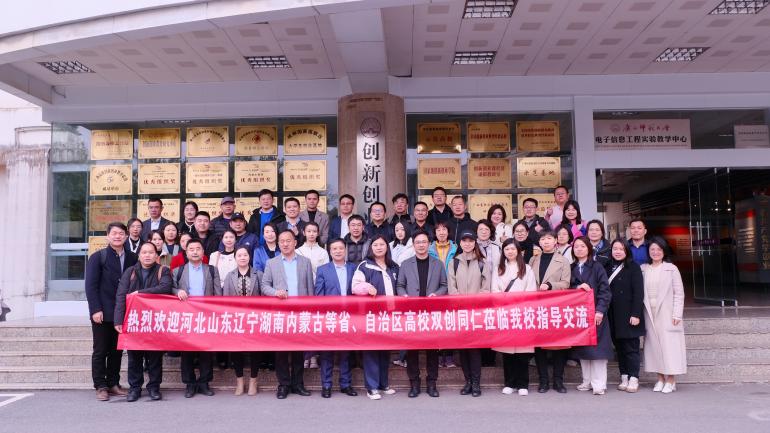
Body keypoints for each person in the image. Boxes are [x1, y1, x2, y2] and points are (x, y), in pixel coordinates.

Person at [113, 242, 173, 402]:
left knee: (155, 356)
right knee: (134, 357)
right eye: (144, 252)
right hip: (134, 320)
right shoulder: (130, 272)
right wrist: (118, 320)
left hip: (155, 320)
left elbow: (165, 288)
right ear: (139, 255)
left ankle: (154, 387)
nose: (147, 255)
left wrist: (140, 293)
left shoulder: (163, 270)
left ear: (156, 255)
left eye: (151, 252)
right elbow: (121, 295)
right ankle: (135, 388)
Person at [85, 222, 137, 401]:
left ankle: (113, 383)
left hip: (123, 311)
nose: (117, 236)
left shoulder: (133, 257)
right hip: (102, 311)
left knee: (117, 350)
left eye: (121, 233)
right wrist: (95, 309)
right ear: (108, 236)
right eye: (114, 233)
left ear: (126, 236)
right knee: (100, 350)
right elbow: (91, 286)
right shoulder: (98, 257)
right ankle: (100, 386)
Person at [261, 230, 315, 399]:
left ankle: (298, 384)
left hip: (300, 312)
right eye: (282, 241)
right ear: (278, 244)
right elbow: (264, 286)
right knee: (281, 351)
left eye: (288, 240)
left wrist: (310, 311)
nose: (285, 244)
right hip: (281, 313)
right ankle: (283, 385)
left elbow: (310, 288)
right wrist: (275, 292)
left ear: (295, 242)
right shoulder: (272, 263)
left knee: (299, 350)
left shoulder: (305, 262)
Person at [397, 231, 448, 398]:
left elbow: (444, 285)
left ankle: (432, 382)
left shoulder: (438, 264)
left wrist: (436, 295)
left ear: (429, 244)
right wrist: (404, 296)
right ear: (413, 244)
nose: (421, 245)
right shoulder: (405, 264)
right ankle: (414, 383)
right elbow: (400, 285)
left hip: (431, 313)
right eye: (418, 242)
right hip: (412, 313)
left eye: (424, 242)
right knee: (412, 350)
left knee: (432, 350)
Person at [351, 235, 400, 400]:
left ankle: (383, 384)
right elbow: (355, 287)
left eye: (382, 244)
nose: (379, 247)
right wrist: (367, 287)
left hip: (389, 315)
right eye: (375, 245)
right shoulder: (364, 265)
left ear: (387, 247)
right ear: (370, 248)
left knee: (385, 349)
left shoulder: (394, 267)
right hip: (370, 316)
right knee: (371, 350)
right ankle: (372, 387)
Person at [173, 239, 222, 398]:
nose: (195, 252)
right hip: (186, 316)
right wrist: (177, 291)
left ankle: (204, 383)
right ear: (186, 253)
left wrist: (216, 314)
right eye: (191, 249)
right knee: (186, 351)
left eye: (198, 249)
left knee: (205, 351)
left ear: (203, 252)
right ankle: (189, 384)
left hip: (206, 316)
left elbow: (217, 294)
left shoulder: (212, 270)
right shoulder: (178, 271)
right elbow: (170, 288)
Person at [314, 238, 358, 398]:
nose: (338, 251)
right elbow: (319, 296)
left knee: (346, 353)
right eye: (334, 249)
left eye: (340, 248)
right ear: (330, 251)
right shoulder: (322, 270)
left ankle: (346, 384)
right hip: (330, 317)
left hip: (349, 317)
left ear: (345, 250)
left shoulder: (354, 268)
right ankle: (326, 385)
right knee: (327, 353)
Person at [641, 236, 687, 394]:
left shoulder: (671, 269)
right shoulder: (643, 269)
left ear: (664, 251)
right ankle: (660, 378)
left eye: (659, 249)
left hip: (667, 313)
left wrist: (677, 314)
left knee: (669, 347)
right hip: (649, 313)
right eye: (652, 249)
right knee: (654, 347)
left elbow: (679, 293)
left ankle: (671, 379)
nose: (655, 252)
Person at [492, 239, 537, 396]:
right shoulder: (498, 269)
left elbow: (531, 291)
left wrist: (520, 305)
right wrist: (505, 304)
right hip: (505, 313)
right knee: (507, 352)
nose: (510, 252)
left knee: (522, 352)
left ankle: (523, 383)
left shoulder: (527, 268)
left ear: (518, 251)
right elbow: (495, 291)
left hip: (522, 313)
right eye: (507, 249)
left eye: (512, 249)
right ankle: (509, 383)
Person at [448, 231, 490, 397]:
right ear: (460, 243)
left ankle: (476, 383)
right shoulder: (454, 262)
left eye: (470, 241)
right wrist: (459, 302)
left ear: (475, 243)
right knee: (463, 349)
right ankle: (468, 382)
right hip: (459, 312)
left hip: (476, 312)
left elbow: (486, 288)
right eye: (464, 241)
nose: (467, 244)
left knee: (474, 349)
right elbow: (451, 287)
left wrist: (474, 303)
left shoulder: (481, 262)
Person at [529, 230, 572, 394]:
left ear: (555, 241)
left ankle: (558, 381)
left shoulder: (563, 261)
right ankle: (543, 381)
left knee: (558, 346)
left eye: (549, 238)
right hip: (537, 307)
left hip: (555, 307)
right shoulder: (533, 259)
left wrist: (550, 285)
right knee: (539, 346)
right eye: (543, 239)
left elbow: (566, 283)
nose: (546, 241)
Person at [570, 236, 612, 396]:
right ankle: (586, 381)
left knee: (597, 350)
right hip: (579, 314)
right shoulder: (571, 267)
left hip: (595, 313)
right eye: (576, 246)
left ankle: (599, 383)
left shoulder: (597, 267)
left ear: (588, 248)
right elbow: (567, 287)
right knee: (583, 349)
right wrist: (577, 287)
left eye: (582, 246)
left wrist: (600, 310)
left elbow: (605, 290)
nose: (579, 249)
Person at [222, 247, 263, 396]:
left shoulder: (258, 274)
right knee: (236, 350)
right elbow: (225, 298)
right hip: (235, 319)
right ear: (235, 258)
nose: (243, 257)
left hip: (254, 318)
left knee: (255, 350)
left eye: (245, 255)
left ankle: (253, 380)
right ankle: (239, 380)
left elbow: (264, 296)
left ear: (249, 257)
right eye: (239, 255)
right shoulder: (230, 276)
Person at [606, 239, 645, 393]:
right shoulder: (607, 266)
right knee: (620, 348)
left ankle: (634, 377)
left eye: (621, 249)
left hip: (629, 314)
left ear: (626, 251)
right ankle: (624, 376)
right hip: (613, 314)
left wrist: (636, 314)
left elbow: (638, 293)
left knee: (631, 348)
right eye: (615, 249)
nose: (617, 252)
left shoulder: (633, 267)